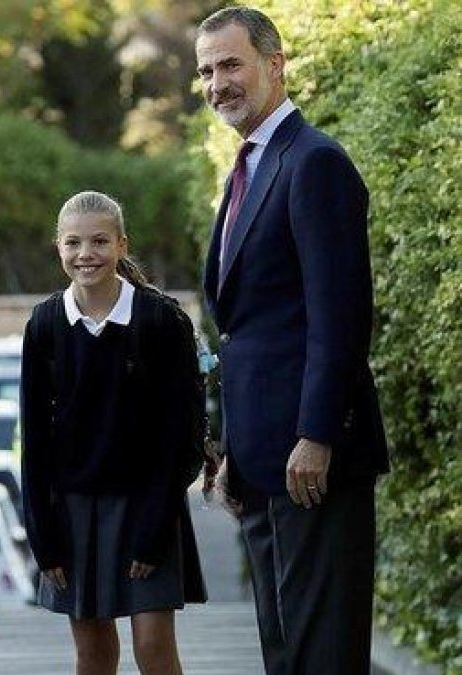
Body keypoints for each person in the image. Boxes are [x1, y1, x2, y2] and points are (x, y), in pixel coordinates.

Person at [196, 7, 389, 674]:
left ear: (274, 66)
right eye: (206, 71)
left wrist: (318, 433)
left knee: (323, 657)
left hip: (314, 463)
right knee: (288, 659)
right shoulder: (249, 166)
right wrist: (226, 446)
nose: (217, 82)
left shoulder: (315, 164)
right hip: (261, 465)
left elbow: (339, 317)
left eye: (230, 64)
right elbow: (243, 328)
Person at [20, 191, 206, 675]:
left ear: (123, 245)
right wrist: (44, 537)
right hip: (74, 511)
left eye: (100, 241)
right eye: (74, 243)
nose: (87, 254)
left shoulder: (162, 321)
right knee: (94, 653)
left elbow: (181, 438)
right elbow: (36, 440)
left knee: (153, 645)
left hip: (150, 505)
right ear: (58, 247)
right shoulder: (44, 325)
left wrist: (153, 527)